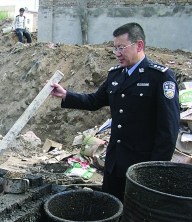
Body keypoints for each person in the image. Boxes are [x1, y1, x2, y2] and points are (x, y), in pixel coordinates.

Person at [50, 22, 180, 201]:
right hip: (115, 162)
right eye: (115, 48)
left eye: (122, 47)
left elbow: (168, 131)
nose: (117, 53)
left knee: (135, 219)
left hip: (141, 167)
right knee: (110, 208)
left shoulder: (160, 77)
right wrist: (66, 95)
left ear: (139, 45)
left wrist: (154, 171)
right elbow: (94, 101)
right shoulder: (116, 75)